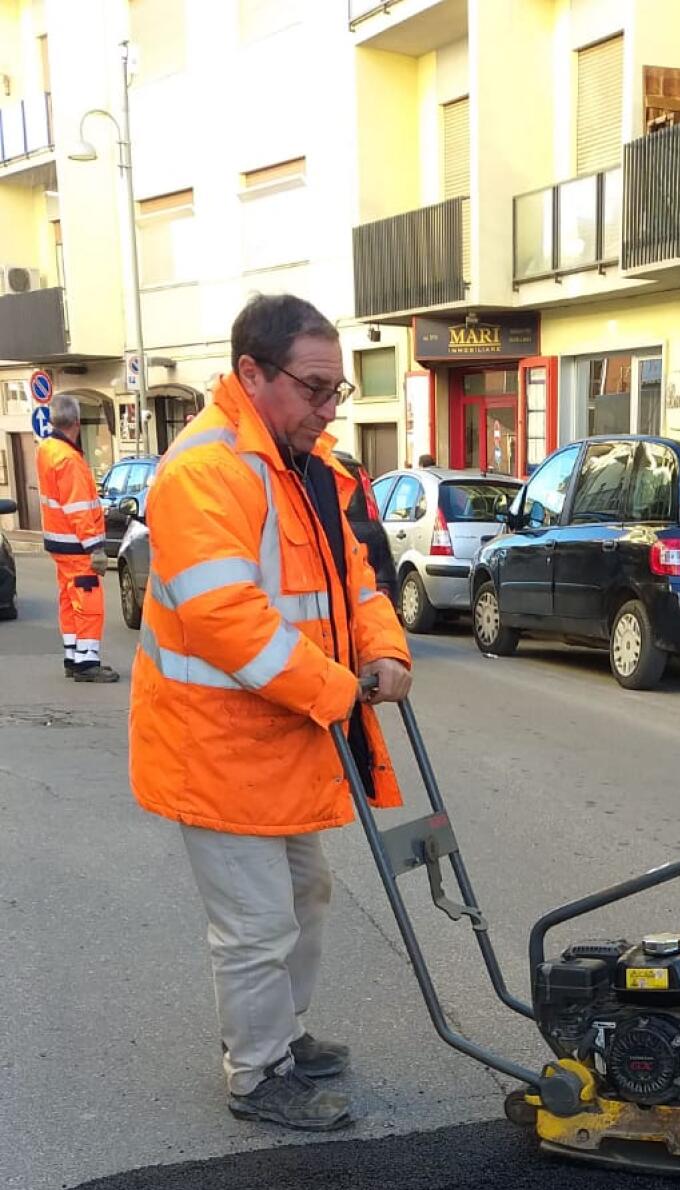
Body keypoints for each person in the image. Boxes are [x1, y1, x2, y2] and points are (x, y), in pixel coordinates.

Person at [129, 292, 413, 1133]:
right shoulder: (204, 473)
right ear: (251, 373)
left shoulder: (304, 468)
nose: (328, 410)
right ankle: (257, 1076)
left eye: (338, 393)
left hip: (285, 740)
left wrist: (385, 650)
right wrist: (338, 690)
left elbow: (355, 579)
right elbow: (228, 622)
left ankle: (283, 1035)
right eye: (314, 388)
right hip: (215, 749)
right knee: (255, 926)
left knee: (307, 895)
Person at [36, 393, 119, 683]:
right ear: (77, 422)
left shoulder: (47, 450)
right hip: (77, 545)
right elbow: (79, 508)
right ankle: (87, 664)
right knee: (88, 602)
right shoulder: (69, 459)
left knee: (69, 601)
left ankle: (73, 657)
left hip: (59, 544)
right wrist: (94, 547)